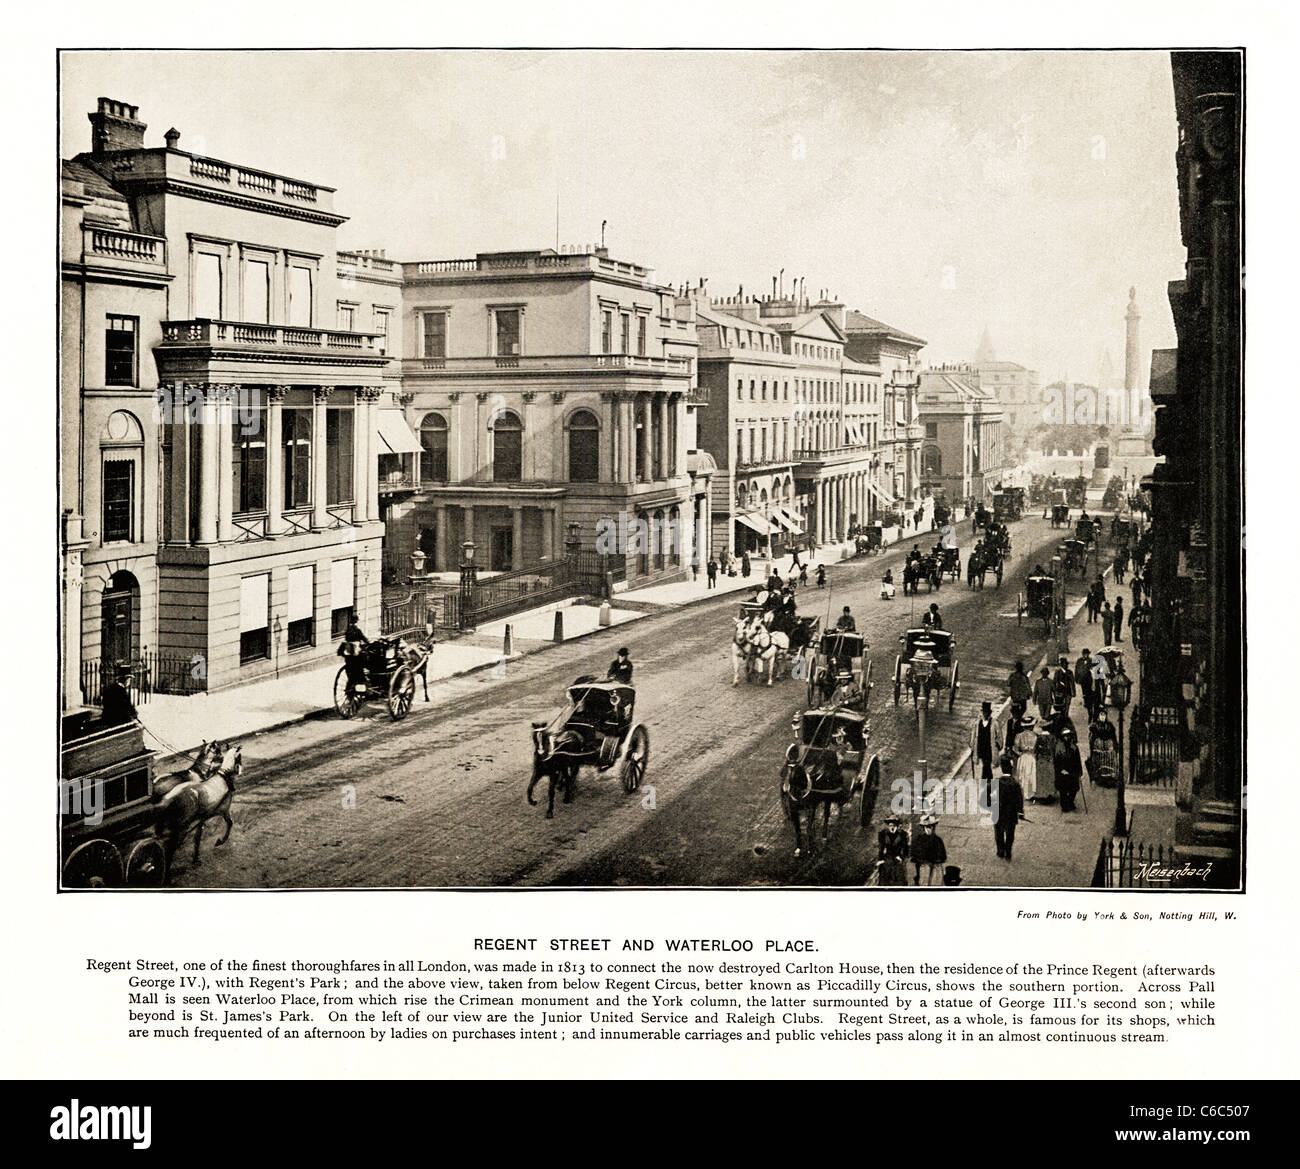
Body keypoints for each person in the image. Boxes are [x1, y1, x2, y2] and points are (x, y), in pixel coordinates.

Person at [970, 700, 1005, 806]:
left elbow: (999, 738)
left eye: (986, 713)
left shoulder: (994, 723)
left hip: (990, 751)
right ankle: (986, 795)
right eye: (983, 712)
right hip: (980, 751)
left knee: (987, 771)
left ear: (989, 713)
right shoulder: (977, 723)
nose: (985, 714)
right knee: (985, 771)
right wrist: (972, 747)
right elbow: (973, 737)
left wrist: (997, 748)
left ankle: (986, 795)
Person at [994, 754, 1024, 860]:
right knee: (1010, 833)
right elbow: (1019, 800)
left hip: (998, 813)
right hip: (1011, 814)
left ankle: (1000, 850)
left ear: (1002, 768)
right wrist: (1020, 812)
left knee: (999, 832)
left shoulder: (996, 782)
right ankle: (1008, 851)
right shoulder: (1015, 784)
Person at [910, 814, 948, 885]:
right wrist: (922, 861)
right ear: (924, 828)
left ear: (933, 828)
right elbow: (914, 854)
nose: (929, 829)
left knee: (937, 876)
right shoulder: (919, 839)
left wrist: (937, 861)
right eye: (927, 827)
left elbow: (942, 855)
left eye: (931, 827)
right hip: (924, 864)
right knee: (925, 874)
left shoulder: (938, 840)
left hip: (935, 865)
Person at [1054, 726, 1083, 812]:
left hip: (1072, 770)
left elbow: (1078, 761)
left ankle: (1070, 802)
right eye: (1065, 736)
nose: (1067, 738)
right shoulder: (1059, 748)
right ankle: (1064, 805)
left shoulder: (1074, 747)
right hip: (1062, 771)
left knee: (1073, 789)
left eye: (1068, 736)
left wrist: (1079, 771)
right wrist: (1060, 770)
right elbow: (1056, 761)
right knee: (1063, 790)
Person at [876, 815, 910, 886]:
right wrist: (880, 859)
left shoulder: (903, 834)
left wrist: (901, 857)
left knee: (899, 875)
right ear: (888, 826)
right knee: (884, 873)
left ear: (897, 826)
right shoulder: (883, 834)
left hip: (898, 858)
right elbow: (881, 848)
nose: (892, 827)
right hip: (887, 857)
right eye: (890, 825)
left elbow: (905, 848)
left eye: (894, 825)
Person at [1075, 649, 1098, 722]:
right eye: (1085, 654)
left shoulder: (1090, 660)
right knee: (1084, 691)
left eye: (1087, 654)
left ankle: (1088, 702)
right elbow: (1076, 670)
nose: (1086, 655)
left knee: (1089, 692)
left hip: (1089, 679)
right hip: (1082, 680)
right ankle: (1086, 700)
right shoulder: (1079, 661)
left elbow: (1096, 664)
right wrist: (1077, 678)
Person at [1007, 661, 1032, 725]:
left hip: (1015, 696)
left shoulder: (1012, 676)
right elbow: (1028, 686)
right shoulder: (1024, 676)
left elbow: (1008, 684)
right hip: (1022, 697)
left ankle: (1017, 719)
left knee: (1015, 708)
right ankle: (1018, 718)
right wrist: (1029, 693)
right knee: (1023, 708)